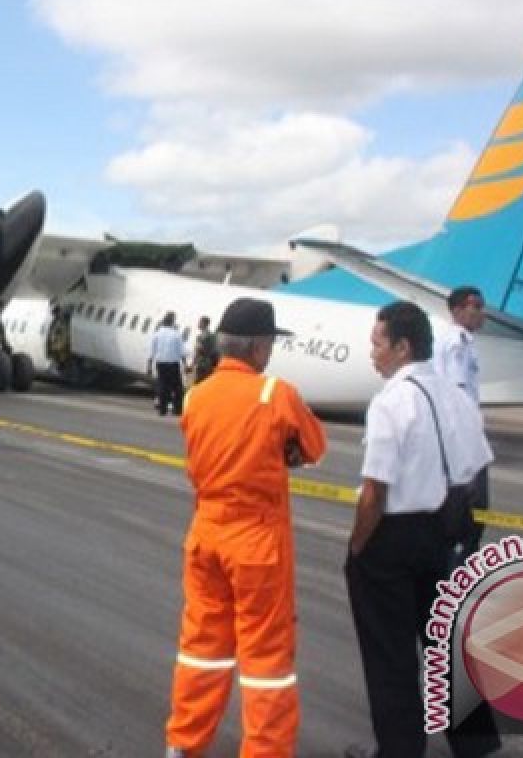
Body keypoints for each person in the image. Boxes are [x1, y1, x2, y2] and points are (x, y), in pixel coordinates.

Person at [165, 298, 326, 758]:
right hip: (257, 542)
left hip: (206, 533)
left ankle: (183, 744)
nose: (271, 351)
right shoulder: (275, 394)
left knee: (202, 646)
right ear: (257, 346)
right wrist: (285, 450)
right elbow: (313, 447)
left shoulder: (196, 395)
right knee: (266, 660)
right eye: (270, 343)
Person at [344, 300, 500, 758]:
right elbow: (476, 467)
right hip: (444, 531)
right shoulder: (457, 396)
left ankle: (399, 750)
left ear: (401, 346)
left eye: (377, 344)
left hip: (392, 536)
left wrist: (358, 546)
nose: (372, 353)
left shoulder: (391, 401)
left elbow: (375, 490)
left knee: (390, 655)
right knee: (445, 643)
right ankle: (475, 744)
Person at [432, 285, 489, 558]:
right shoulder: (458, 342)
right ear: (457, 310)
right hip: (462, 435)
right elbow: (458, 390)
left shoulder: (457, 339)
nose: (481, 313)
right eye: (475, 307)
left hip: (457, 433)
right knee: (473, 504)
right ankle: (459, 565)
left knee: (463, 505)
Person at [147, 312, 188, 416]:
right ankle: (177, 409)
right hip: (173, 364)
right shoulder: (176, 334)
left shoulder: (157, 334)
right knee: (177, 387)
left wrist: (149, 366)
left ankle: (162, 409)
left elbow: (152, 351)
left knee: (162, 386)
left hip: (161, 363)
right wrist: (185, 364)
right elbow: (181, 351)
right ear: (172, 322)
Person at [191, 315, 220, 384]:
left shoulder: (201, 337)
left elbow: (198, 351)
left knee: (198, 383)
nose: (198, 324)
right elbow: (215, 352)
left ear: (204, 323)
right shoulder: (213, 336)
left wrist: (192, 364)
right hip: (210, 364)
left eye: (200, 322)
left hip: (202, 364)